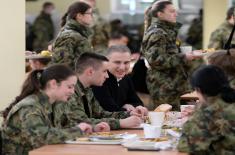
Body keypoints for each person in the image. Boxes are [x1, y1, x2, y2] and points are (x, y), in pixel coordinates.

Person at [1, 65, 96, 155]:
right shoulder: (30, 107)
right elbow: (42, 139)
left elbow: (67, 125)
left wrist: (91, 127)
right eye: (69, 87)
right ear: (53, 84)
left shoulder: (55, 104)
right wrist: (78, 130)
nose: (72, 91)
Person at [141, 0, 202, 110]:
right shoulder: (158, 33)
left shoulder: (167, 31)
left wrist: (187, 54)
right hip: (164, 87)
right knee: (167, 120)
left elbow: (168, 54)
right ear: (160, 14)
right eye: (171, 11)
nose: (176, 14)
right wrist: (184, 57)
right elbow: (155, 61)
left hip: (172, 85)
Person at [57, 52, 142, 130]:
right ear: (90, 72)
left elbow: (100, 114)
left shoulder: (87, 90)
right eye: (104, 71)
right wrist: (120, 123)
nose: (107, 76)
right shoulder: (70, 90)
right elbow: (80, 122)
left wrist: (129, 114)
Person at [177, 65, 235, 154]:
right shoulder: (227, 102)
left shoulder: (210, 113)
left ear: (199, 90)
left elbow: (185, 146)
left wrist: (192, 119)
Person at [92, 45, 147, 114]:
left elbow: (138, 102)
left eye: (126, 62)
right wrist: (127, 109)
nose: (122, 67)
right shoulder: (100, 80)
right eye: (117, 62)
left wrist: (137, 107)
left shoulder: (126, 78)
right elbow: (109, 109)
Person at [51, 1, 93, 70]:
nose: (92, 16)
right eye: (90, 13)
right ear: (79, 16)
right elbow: (62, 67)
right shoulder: (68, 36)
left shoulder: (80, 33)